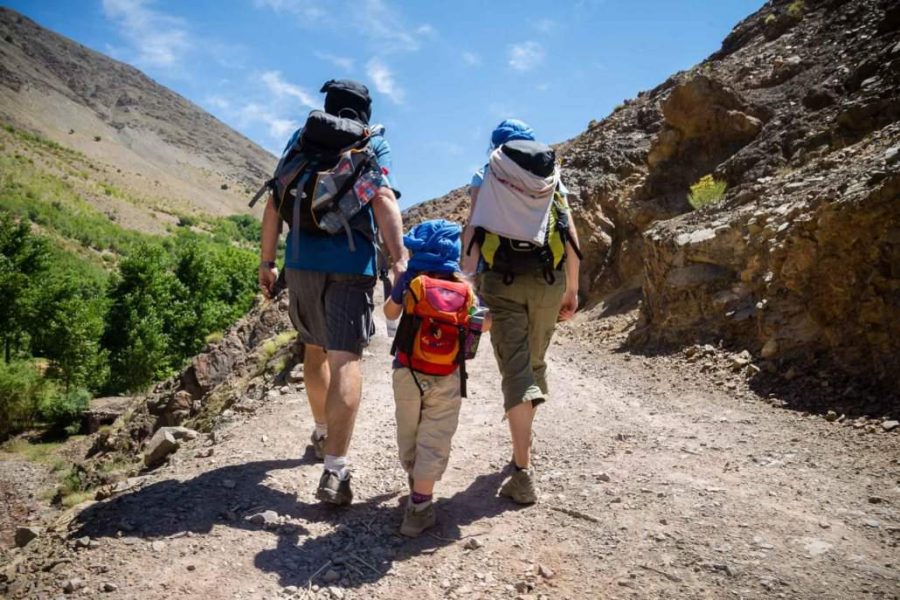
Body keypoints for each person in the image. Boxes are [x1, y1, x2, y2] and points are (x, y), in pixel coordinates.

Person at [258, 79, 408, 506]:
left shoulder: (301, 140)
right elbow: (381, 197)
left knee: (313, 349)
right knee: (346, 359)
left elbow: (274, 202)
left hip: (300, 262)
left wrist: (267, 263)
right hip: (350, 263)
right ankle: (335, 471)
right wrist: (398, 257)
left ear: (326, 105)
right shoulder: (371, 143)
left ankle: (322, 432)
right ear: (366, 111)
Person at [461, 119, 581, 505]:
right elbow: (569, 231)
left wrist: (466, 284)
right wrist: (572, 288)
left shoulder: (488, 172)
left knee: (516, 370)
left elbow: (474, 230)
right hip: (549, 281)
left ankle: (522, 470)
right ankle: (522, 448)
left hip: (503, 283)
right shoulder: (551, 174)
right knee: (534, 362)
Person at [384, 219, 489, 536]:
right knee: (435, 438)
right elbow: (481, 326)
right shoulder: (465, 289)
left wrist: (400, 285)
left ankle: (416, 478)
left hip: (407, 372)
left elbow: (389, 314)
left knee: (410, 435)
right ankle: (419, 506)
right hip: (447, 375)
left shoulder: (411, 280)